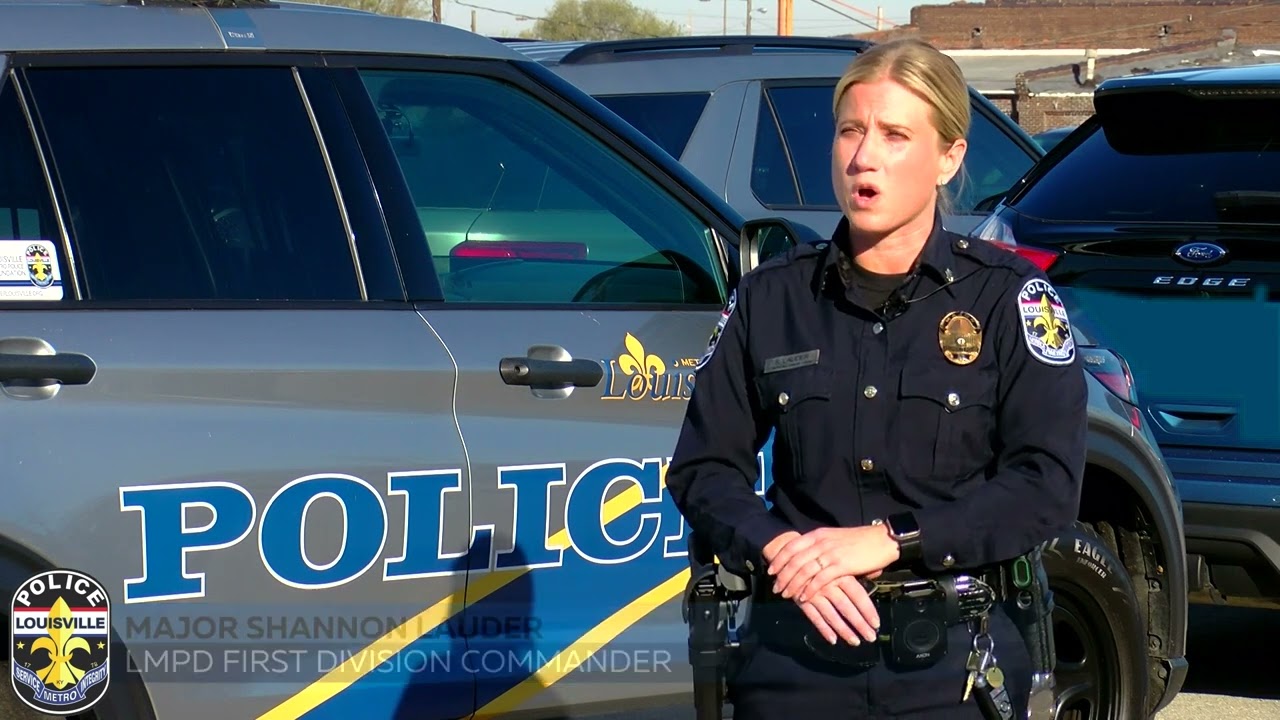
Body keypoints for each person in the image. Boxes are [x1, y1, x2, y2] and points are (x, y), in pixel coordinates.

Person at [665, 37, 1088, 720]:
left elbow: (1045, 485)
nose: (864, 157)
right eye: (850, 131)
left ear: (949, 157)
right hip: (793, 660)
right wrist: (777, 548)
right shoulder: (773, 298)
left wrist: (892, 539)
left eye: (895, 135)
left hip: (952, 663)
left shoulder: (1008, 299)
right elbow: (703, 468)